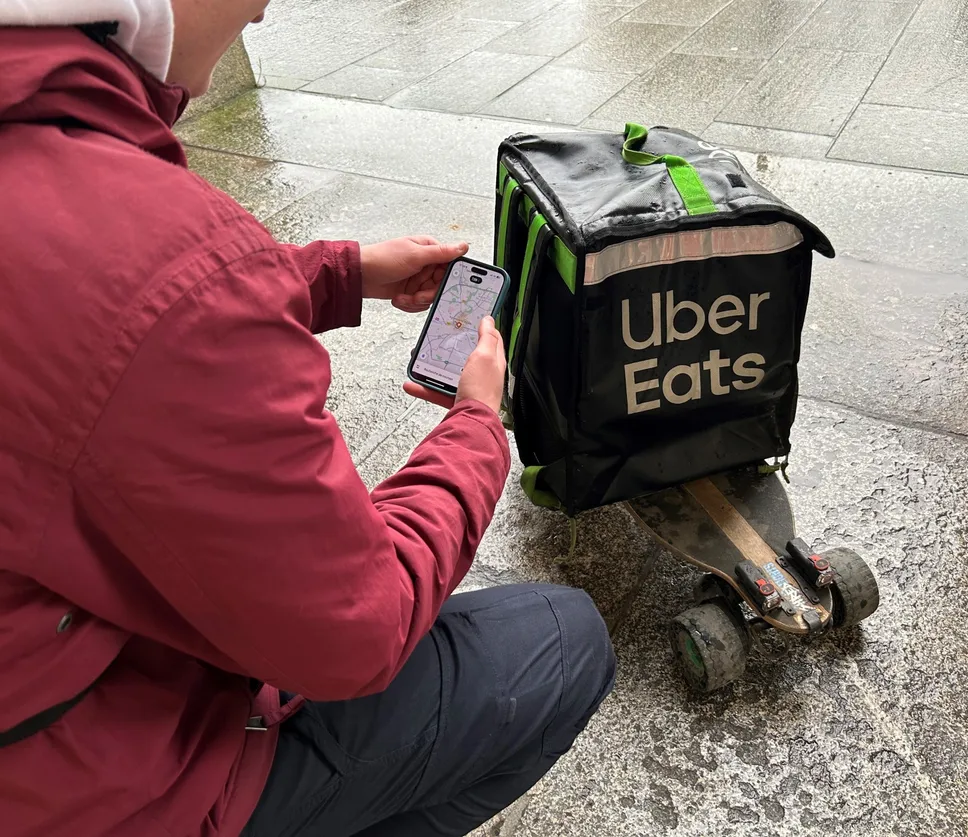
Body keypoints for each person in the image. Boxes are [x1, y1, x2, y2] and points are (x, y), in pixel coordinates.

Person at [0, 2, 617, 836]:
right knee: (563, 640)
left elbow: (103, 307)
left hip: (37, 723)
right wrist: (476, 424)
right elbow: (357, 631)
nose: (264, 8)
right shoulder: (152, 248)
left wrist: (340, 273)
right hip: (116, 789)